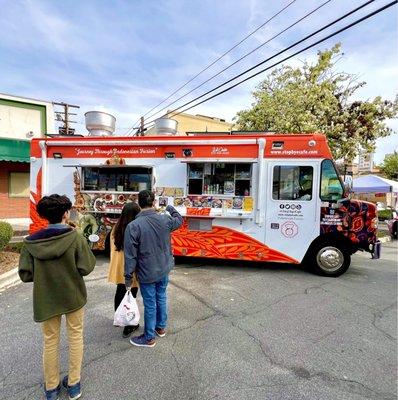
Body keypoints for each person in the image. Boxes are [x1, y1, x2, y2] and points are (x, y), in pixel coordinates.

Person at [18, 194, 96, 400]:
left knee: (50, 341)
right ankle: (74, 385)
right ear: (64, 213)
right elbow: (86, 267)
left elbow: (25, 274)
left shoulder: (31, 243)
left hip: (46, 298)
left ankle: (51, 388)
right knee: (75, 337)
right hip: (73, 296)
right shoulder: (76, 237)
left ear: (45, 216)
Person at [124, 190, 183, 348]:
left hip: (147, 271)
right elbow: (179, 220)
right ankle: (160, 328)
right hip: (164, 267)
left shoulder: (133, 226)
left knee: (150, 303)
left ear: (139, 203)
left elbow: (130, 256)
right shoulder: (164, 220)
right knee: (161, 297)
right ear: (154, 202)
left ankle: (149, 337)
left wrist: (128, 277)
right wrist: (170, 208)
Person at [108, 201, 140, 338]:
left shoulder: (116, 227)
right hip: (131, 267)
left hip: (118, 267)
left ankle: (119, 317)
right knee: (131, 295)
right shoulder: (135, 228)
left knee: (120, 291)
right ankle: (130, 325)